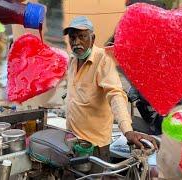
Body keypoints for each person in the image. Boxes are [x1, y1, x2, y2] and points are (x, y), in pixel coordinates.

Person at [63, 16, 157, 174]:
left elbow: (115, 95)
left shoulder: (103, 61)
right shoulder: (73, 61)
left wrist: (128, 130)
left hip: (95, 148)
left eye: (82, 36)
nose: (76, 42)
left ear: (92, 39)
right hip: (71, 141)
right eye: (72, 37)